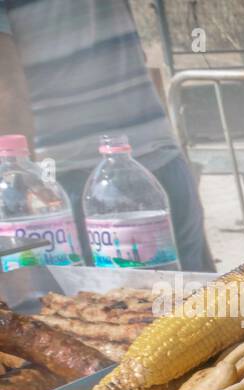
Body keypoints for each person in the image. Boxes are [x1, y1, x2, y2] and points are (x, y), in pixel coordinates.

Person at [0, 0, 214, 272]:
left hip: (82, 191)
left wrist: (14, 193)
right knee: (198, 305)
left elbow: (7, 91)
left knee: (121, 311)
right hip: (162, 167)